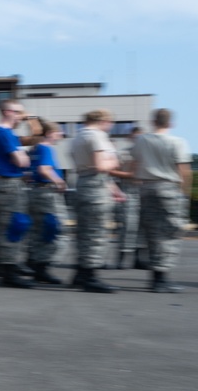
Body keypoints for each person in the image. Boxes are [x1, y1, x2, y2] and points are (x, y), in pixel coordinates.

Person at [131, 108, 191, 293]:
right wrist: (185, 194)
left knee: (152, 234)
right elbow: (184, 171)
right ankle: (161, 279)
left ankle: (155, 278)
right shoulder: (177, 142)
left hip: (147, 188)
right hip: (168, 188)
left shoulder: (141, 140)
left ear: (153, 122)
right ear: (171, 123)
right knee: (169, 234)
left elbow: (134, 165)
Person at [69, 109, 122, 293]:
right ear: (104, 121)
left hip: (83, 183)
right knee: (96, 234)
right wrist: (114, 162)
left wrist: (113, 189)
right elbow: (101, 166)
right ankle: (89, 276)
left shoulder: (77, 137)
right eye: (110, 122)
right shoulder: (98, 136)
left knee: (85, 232)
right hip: (96, 186)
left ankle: (81, 272)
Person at [0, 100, 40, 288]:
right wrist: (23, 156)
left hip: (10, 183)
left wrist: (31, 120)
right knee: (13, 224)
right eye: (19, 113)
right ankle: (8, 269)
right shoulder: (4, 133)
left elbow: (36, 138)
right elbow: (22, 162)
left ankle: (6, 264)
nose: (21, 117)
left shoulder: (8, 134)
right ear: (8, 112)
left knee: (10, 224)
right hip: (9, 184)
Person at [26, 121, 66, 285]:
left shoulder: (33, 149)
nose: (61, 135)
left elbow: (28, 174)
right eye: (59, 132)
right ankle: (43, 267)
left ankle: (35, 264)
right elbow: (44, 169)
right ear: (49, 133)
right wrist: (59, 182)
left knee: (37, 230)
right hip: (47, 193)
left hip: (35, 192)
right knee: (55, 229)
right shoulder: (46, 148)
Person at [111, 127, 143, 270]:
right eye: (135, 137)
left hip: (144, 193)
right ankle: (121, 259)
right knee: (128, 226)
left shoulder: (147, 153)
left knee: (142, 228)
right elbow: (111, 171)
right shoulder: (124, 154)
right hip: (128, 192)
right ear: (130, 137)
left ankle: (139, 259)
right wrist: (130, 175)